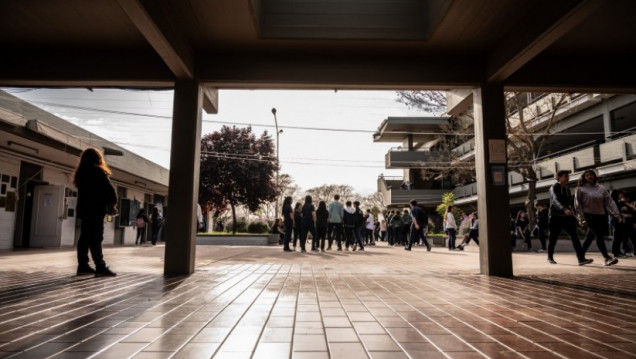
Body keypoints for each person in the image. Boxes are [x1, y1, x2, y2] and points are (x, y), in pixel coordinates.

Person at [73, 148, 118, 277]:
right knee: (96, 238)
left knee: (85, 238)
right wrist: (112, 203)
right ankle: (100, 266)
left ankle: (83, 265)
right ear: (98, 159)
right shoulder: (98, 172)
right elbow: (111, 192)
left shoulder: (81, 174)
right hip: (96, 210)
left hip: (84, 210)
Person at [576, 169, 622, 266]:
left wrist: (616, 214)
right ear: (584, 178)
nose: (589, 176)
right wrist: (581, 217)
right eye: (587, 175)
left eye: (591, 174)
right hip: (588, 216)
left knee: (589, 237)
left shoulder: (601, 188)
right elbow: (578, 204)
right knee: (599, 235)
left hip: (601, 215)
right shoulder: (580, 189)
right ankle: (606, 258)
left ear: (594, 176)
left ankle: (580, 257)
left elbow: (609, 202)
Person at [546, 170, 592, 265]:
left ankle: (581, 259)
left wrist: (575, 214)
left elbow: (569, 203)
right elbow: (555, 200)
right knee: (553, 238)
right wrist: (564, 209)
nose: (568, 178)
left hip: (566, 217)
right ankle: (550, 257)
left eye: (568, 176)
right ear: (559, 177)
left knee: (574, 237)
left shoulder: (567, 189)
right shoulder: (554, 187)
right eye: (565, 176)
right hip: (555, 217)